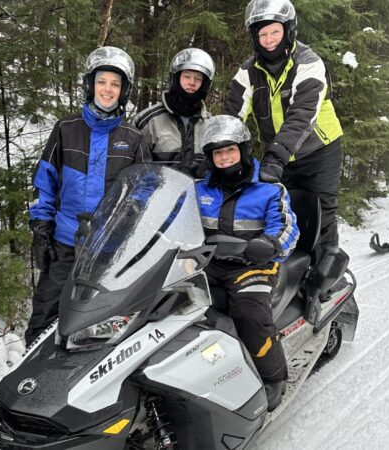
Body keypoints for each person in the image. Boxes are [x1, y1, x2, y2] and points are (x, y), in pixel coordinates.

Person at [26, 46, 150, 346]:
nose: (108, 90)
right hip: (65, 242)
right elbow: (46, 181)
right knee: (45, 315)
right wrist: (42, 229)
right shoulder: (66, 129)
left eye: (115, 84)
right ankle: (31, 379)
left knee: (99, 321)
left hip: (108, 249)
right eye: (102, 81)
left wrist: (133, 232)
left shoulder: (133, 138)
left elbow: (144, 192)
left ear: (124, 91)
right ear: (90, 85)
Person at [224, 0, 343, 258]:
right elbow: (232, 113)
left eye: (274, 32)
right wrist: (215, 151)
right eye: (262, 33)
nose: (268, 39)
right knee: (281, 210)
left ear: (288, 30)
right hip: (280, 153)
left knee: (321, 210)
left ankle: (327, 272)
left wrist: (276, 156)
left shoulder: (309, 63)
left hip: (319, 149)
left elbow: (302, 115)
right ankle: (286, 270)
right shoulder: (249, 71)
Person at [195, 115, 299, 411]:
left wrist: (270, 243)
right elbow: (173, 220)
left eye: (230, 150)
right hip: (205, 263)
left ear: (243, 150)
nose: (224, 158)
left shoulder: (269, 188)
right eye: (217, 153)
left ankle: (273, 376)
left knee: (248, 314)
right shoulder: (198, 189)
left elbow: (287, 227)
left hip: (252, 266)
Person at [134, 48, 215, 176]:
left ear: (205, 84)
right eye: (187, 76)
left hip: (198, 194)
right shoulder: (148, 121)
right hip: (158, 194)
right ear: (176, 78)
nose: (192, 82)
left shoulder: (211, 126)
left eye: (198, 79)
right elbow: (133, 171)